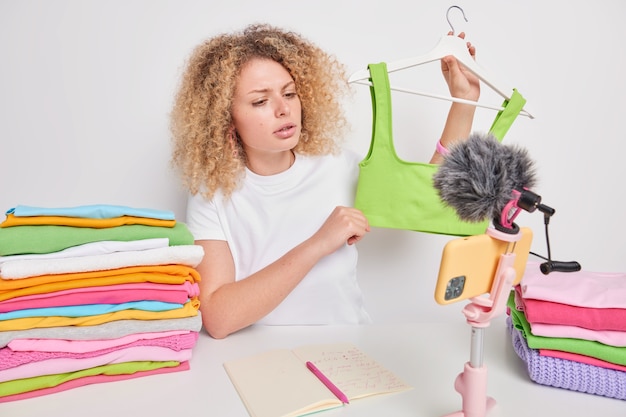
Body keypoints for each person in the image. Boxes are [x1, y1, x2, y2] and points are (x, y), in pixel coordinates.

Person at [170, 24, 479, 339]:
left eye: (289, 93)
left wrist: (464, 104)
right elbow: (219, 319)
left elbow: (427, 197)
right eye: (260, 101)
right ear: (225, 117)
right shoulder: (211, 194)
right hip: (257, 354)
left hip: (347, 345)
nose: (283, 109)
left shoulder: (336, 166)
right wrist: (320, 243)